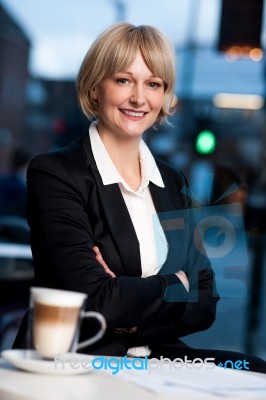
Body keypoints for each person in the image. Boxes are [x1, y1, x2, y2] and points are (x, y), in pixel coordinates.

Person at [14, 23, 266, 373]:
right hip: (77, 355)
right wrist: (174, 285)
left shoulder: (171, 181)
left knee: (255, 370)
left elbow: (205, 302)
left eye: (153, 84)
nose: (138, 98)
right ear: (95, 86)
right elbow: (94, 303)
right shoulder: (56, 173)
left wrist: (125, 296)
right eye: (123, 80)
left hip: (153, 356)